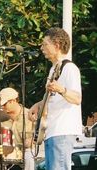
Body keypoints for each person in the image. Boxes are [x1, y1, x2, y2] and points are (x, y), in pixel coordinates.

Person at [28, 27, 82, 170]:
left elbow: (77, 98)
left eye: (45, 44)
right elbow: (53, 98)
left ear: (57, 44)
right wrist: (38, 104)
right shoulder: (54, 69)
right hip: (52, 130)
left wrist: (61, 89)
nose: (41, 48)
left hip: (62, 130)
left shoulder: (70, 68)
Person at [0, 87, 35, 170]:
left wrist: (32, 140)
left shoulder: (30, 115)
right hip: (4, 153)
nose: (2, 107)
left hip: (25, 152)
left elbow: (40, 135)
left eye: (4, 104)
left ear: (13, 101)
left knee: (29, 155)